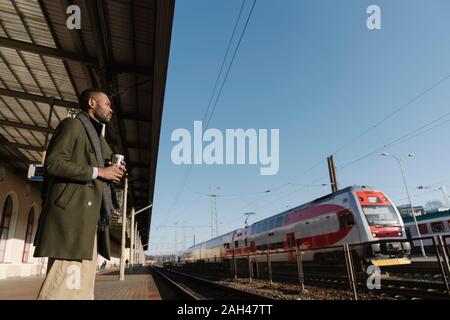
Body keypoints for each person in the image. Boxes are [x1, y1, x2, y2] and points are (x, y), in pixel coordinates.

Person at [33, 88, 126, 300]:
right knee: (62, 287)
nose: (111, 109)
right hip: (72, 220)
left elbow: (101, 170)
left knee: (82, 289)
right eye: (107, 104)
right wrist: (99, 172)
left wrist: (114, 170)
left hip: (90, 221)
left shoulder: (98, 138)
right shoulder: (72, 125)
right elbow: (53, 163)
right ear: (92, 103)